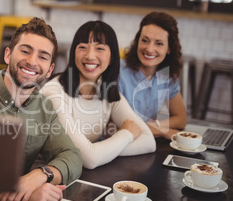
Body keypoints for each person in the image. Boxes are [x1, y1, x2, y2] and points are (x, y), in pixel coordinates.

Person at [0, 17, 83, 201]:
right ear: (8, 54)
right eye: (25, 51)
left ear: (49, 69)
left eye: (42, 56)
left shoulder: (44, 106)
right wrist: (23, 198)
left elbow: (72, 156)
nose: (32, 61)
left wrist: (40, 175)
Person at [41, 20, 156, 170]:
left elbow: (148, 142)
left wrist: (101, 151)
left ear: (112, 58)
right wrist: (126, 134)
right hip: (43, 174)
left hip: (77, 173)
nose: (90, 56)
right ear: (73, 52)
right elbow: (89, 159)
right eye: (82, 47)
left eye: (100, 48)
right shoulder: (54, 93)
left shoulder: (107, 91)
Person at [118, 12, 187, 140]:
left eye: (159, 43)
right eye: (145, 40)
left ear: (169, 49)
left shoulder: (166, 74)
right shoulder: (118, 73)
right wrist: (162, 131)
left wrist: (155, 126)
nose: (149, 49)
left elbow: (181, 119)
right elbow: (116, 129)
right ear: (137, 41)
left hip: (144, 145)